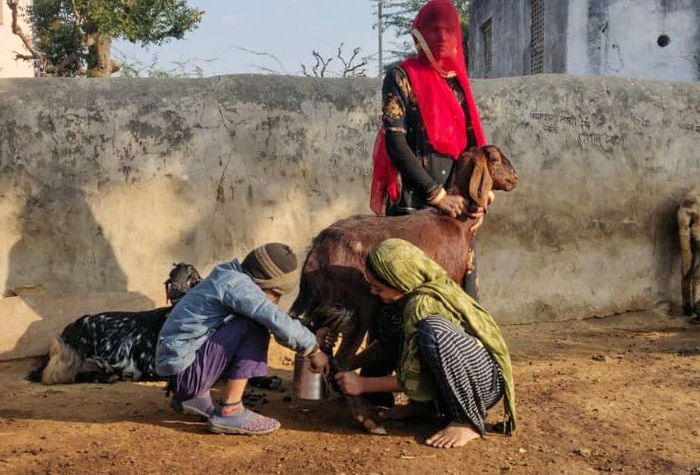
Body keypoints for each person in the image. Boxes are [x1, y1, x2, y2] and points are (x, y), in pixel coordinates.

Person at [334, 239, 516, 448]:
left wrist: (363, 385)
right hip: (451, 377)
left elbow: (420, 375)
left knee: (434, 331)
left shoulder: (425, 305)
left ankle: (467, 421)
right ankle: (425, 407)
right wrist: (349, 362)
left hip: (482, 385)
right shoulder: (407, 298)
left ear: (400, 281)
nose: (374, 293)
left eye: (379, 288)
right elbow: (389, 346)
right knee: (389, 319)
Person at [156, 243, 329, 435]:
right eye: (276, 293)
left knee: (247, 322)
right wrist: (314, 350)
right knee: (253, 326)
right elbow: (275, 320)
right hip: (185, 373)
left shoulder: (229, 275)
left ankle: (193, 397)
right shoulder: (237, 286)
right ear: (267, 284)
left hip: (178, 368)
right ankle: (230, 410)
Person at [370, 0, 489, 218]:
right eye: (435, 30)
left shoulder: (457, 84)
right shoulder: (400, 77)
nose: (442, 37)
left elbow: (473, 147)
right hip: (412, 206)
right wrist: (438, 196)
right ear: (420, 36)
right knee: (407, 254)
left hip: (458, 206)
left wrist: (481, 193)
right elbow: (395, 143)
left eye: (448, 30)